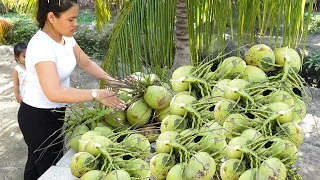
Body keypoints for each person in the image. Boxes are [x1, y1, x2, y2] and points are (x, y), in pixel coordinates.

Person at [18, 0, 127, 179]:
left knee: (35, 163)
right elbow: (54, 92)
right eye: (71, 19)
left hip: (54, 113)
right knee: (49, 168)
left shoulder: (66, 37)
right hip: (37, 117)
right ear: (51, 17)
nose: (76, 23)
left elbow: (85, 62)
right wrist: (95, 94)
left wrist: (113, 81)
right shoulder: (41, 46)